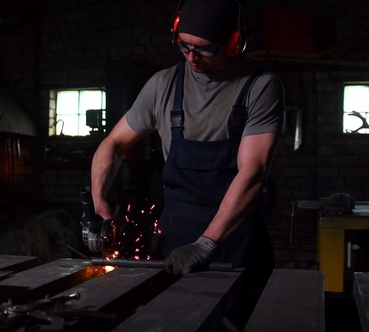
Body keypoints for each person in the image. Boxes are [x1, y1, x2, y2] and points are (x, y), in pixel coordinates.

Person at [90, 0, 283, 285]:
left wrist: (206, 244)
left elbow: (253, 173)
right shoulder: (162, 85)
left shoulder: (260, 87)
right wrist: (99, 201)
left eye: (204, 48)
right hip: (174, 235)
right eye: (184, 45)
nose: (191, 57)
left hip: (236, 239)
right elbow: (114, 143)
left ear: (234, 42)